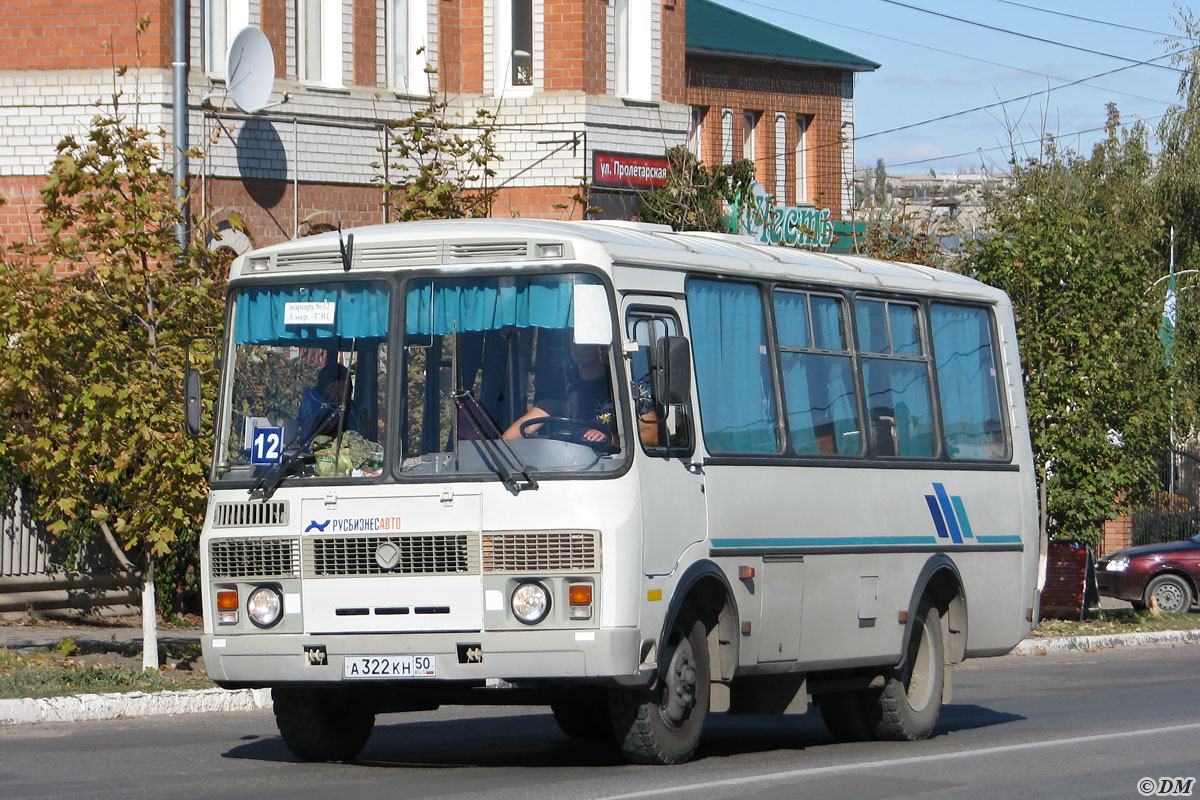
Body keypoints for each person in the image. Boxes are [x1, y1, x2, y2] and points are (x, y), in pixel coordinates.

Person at [503, 342, 615, 445]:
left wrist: (608, 438)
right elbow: (525, 428)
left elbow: (629, 437)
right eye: (573, 343)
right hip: (568, 459)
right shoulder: (564, 387)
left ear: (600, 347)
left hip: (613, 462)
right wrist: (501, 449)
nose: (577, 349)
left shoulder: (617, 384)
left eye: (583, 344)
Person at [296, 361, 366, 443]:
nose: (341, 395)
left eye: (345, 389)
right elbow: (306, 442)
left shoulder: (355, 411)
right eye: (336, 390)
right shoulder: (313, 410)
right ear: (324, 391)